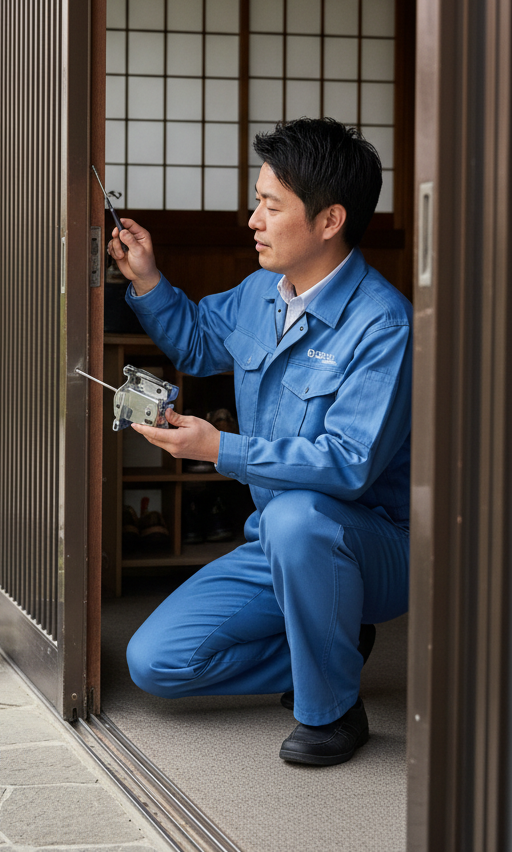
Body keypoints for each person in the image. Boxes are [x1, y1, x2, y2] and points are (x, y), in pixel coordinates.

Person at [110, 118, 412, 767]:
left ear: (329, 220)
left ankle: (330, 711)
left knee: (302, 518)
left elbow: (349, 465)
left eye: (271, 205)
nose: (254, 219)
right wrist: (146, 278)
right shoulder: (258, 295)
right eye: (258, 200)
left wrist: (220, 448)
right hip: (274, 538)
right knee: (157, 662)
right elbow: (194, 343)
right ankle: (330, 645)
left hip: (378, 547)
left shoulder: (383, 324)